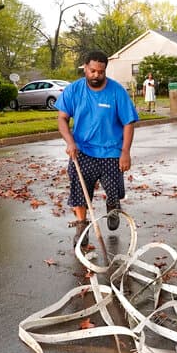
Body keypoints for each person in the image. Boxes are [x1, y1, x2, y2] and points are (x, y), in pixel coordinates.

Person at [55, 50, 139, 247]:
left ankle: (112, 205)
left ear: (105, 71)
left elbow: (128, 123)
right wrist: (70, 142)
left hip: (111, 151)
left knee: (114, 190)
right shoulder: (74, 90)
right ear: (85, 68)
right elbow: (62, 119)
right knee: (79, 192)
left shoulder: (117, 91)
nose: (96, 75)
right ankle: (81, 227)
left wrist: (125, 152)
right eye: (92, 71)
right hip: (82, 151)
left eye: (100, 72)